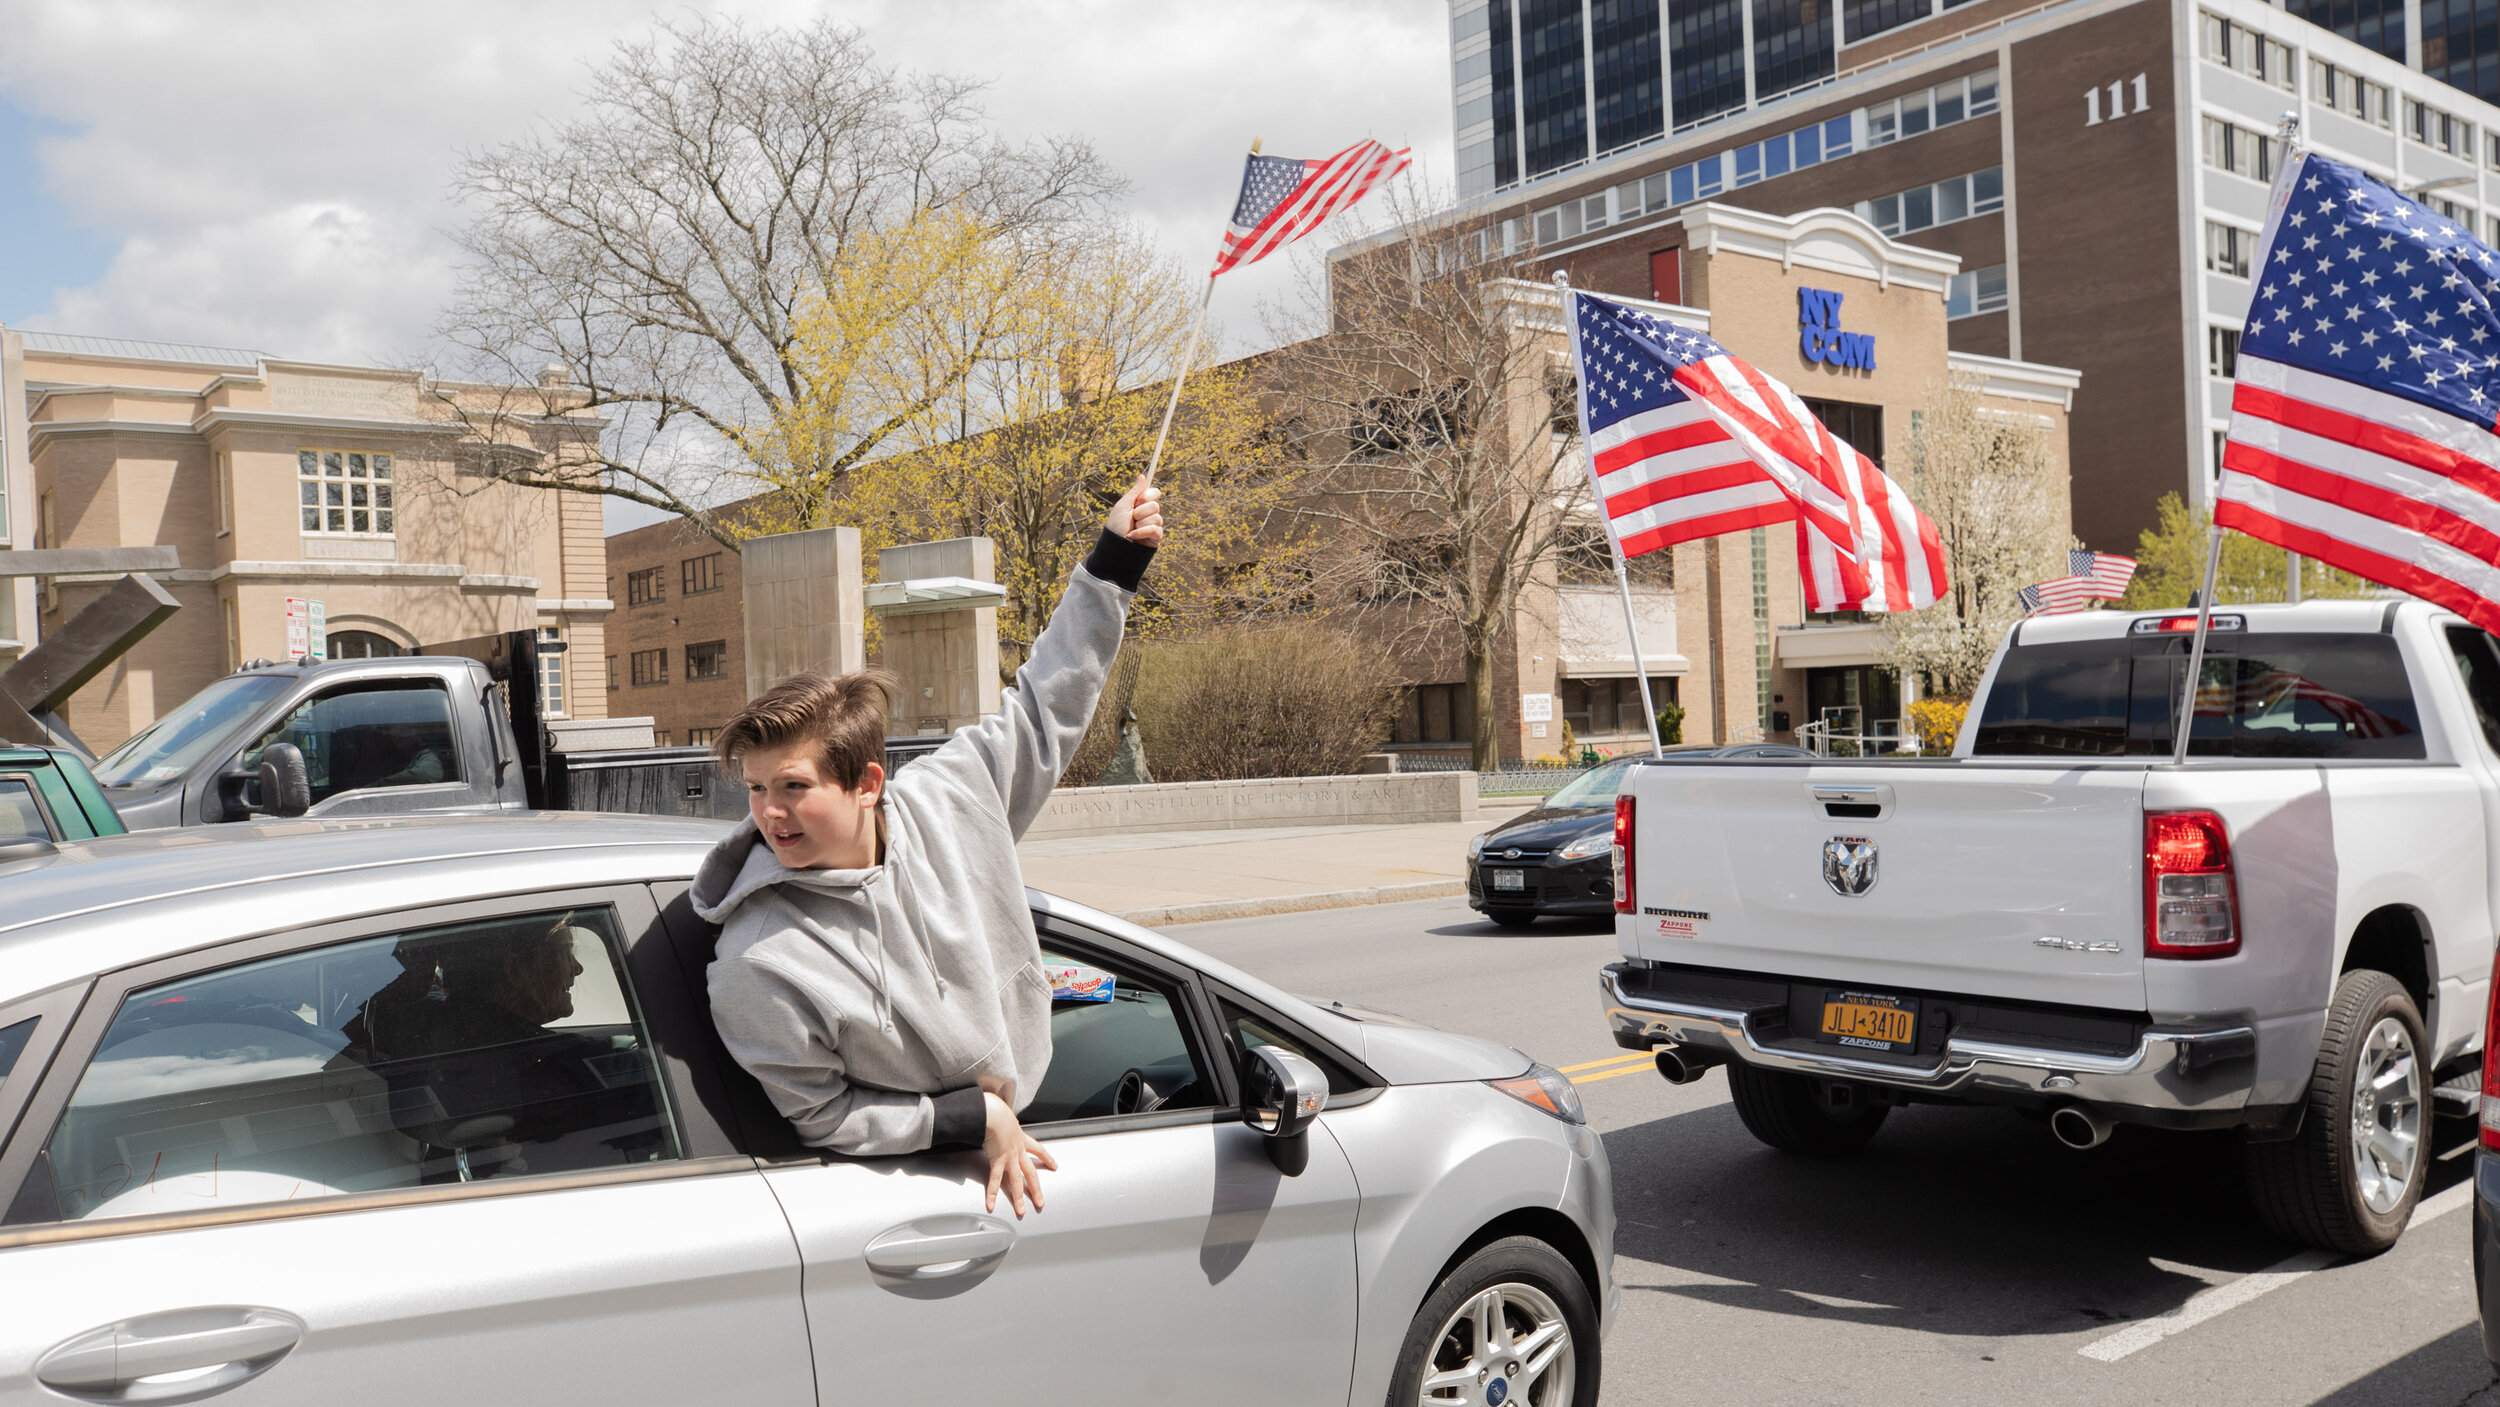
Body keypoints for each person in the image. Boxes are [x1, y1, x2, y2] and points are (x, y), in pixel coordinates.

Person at [691, 476, 1164, 1216]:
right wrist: (964, 1118)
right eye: (755, 789)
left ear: (867, 782)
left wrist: (1111, 564)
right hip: (926, 1197)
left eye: (791, 787)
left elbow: (1045, 705)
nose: (769, 814)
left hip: (1036, 1140)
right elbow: (822, 1113)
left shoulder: (952, 799)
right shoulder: (757, 961)